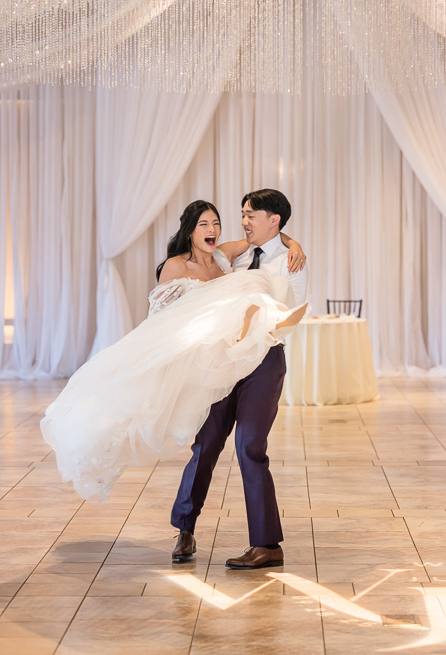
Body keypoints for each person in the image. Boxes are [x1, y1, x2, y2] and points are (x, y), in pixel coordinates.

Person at [40, 199, 307, 505]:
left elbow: (264, 237)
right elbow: (160, 318)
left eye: (216, 224)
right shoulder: (176, 265)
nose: (213, 230)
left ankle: (265, 320)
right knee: (145, 413)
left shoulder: (222, 256)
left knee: (252, 282)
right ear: (190, 231)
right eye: (204, 224)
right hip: (189, 342)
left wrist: (294, 243)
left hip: (221, 347)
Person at [171, 189, 308, 570]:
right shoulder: (237, 254)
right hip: (224, 362)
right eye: (242, 214)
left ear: (273, 220)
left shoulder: (291, 262)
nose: (243, 221)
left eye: (251, 215)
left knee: (249, 446)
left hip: (263, 361)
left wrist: (255, 318)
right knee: (207, 443)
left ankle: (267, 545)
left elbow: (293, 315)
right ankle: (184, 528)